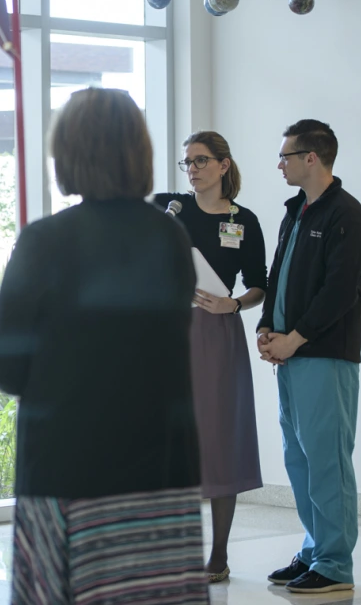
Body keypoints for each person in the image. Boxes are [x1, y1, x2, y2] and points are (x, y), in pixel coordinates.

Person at [0, 88, 209, 605]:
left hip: (69, 467)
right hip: (161, 469)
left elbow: (6, 366)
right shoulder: (168, 237)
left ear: (68, 153)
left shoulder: (45, 240)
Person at [256, 120, 361, 595]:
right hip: (290, 354)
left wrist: (295, 337)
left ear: (312, 158)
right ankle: (314, 550)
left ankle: (335, 564)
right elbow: (278, 272)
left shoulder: (347, 215)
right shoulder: (295, 211)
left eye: (286, 155)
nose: (279, 163)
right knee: (299, 459)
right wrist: (267, 326)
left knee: (328, 461)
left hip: (324, 356)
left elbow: (340, 292)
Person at [153, 130, 266, 584]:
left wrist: (234, 303)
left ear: (223, 165)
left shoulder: (246, 220)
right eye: (187, 162)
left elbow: (260, 283)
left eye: (201, 161)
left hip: (218, 332)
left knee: (220, 439)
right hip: (168, 332)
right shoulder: (169, 208)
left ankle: (217, 556)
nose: (193, 169)